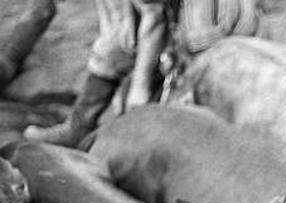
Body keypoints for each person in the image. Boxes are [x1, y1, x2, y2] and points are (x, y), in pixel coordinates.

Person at [25, 0, 263, 147]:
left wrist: (140, 87)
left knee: (171, 98)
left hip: (219, 37)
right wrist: (127, 17)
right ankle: (79, 126)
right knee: (119, 49)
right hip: (182, 27)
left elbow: (156, 19)